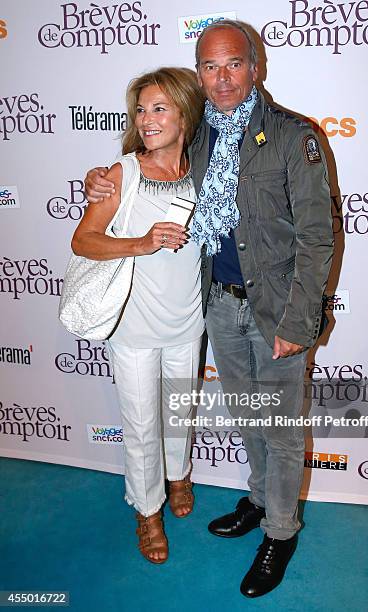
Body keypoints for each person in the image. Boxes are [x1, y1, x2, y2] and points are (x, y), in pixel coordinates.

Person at [85, 21, 334, 598]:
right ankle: (257, 499)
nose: (221, 79)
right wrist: (101, 177)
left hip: (277, 312)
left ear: (255, 66)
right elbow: (146, 158)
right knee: (250, 418)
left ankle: (281, 529)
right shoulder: (196, 136)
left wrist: (299, 323)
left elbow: (317, 239)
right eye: (209, 67)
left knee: (280, 427)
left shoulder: (295, 136)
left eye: (233, 65)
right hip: (216, 306)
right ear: (199, 74)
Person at [73, 67, 205, 565]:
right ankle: (147, 511)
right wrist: (142, 243)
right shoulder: (120, 174)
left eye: (159, 108)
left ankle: (178, 477)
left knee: (178, 413)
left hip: (188, 320)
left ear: (185, 112)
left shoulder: (203, 167)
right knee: (142, 424)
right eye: (141, 109)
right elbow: (83, 240)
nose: (146, 119)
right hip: (133, 326)